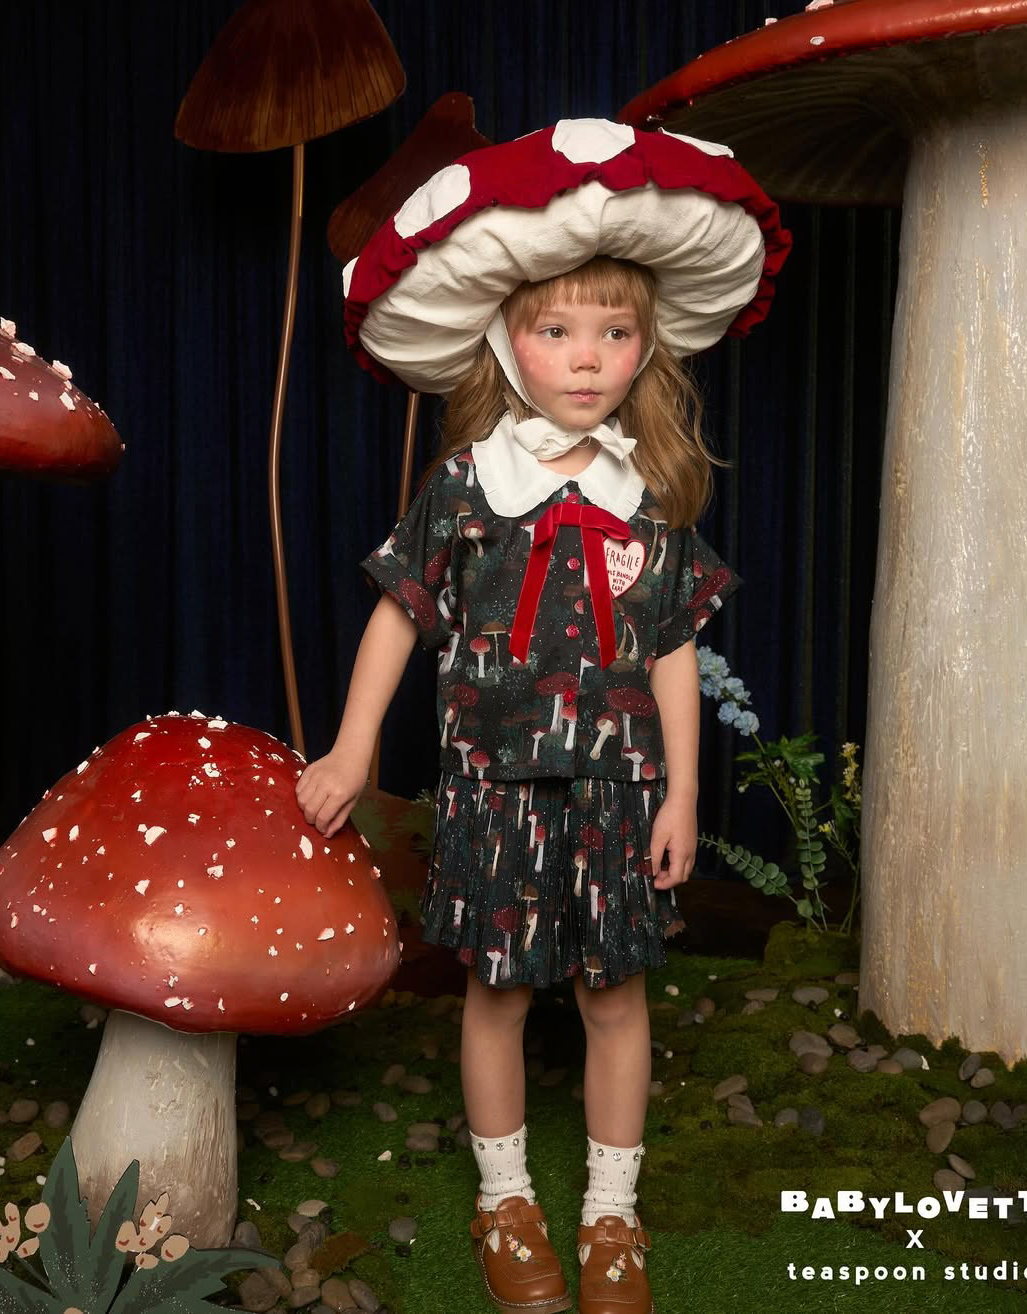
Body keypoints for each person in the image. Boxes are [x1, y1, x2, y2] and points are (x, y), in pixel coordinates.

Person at [297, 119, 790, 1314]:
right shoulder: (467, 487)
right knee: (500, 994)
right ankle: (505, 1199)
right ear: (505, 343)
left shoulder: (649, 499)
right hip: (491, 791)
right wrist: (353, 750)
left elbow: (672, 650)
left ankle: (613, 1214)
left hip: (618, 795)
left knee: (615, 997)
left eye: (614, 332)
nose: (588, 358)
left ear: (646, 346)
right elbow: (399, 617)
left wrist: (682, 793)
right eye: (557, 329)